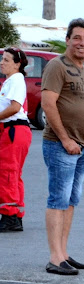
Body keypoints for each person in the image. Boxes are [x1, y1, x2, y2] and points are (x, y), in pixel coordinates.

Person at [41, 18, 84, 275]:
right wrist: (65, 139)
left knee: (72, 200)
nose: (82, 43)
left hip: (83, 147)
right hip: (61, 146)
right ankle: (55, 258)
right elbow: (48, 104)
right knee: (58, 199)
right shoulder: (57, 66)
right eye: (77, 38)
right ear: (67, 40)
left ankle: (63, 253)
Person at [0, 48, 32, 233]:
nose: (2, 62)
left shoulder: (16, 80)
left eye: (6, 60)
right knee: (13, 172)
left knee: (8, 172)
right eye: (2, 59)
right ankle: (15, 215)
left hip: (14, 129)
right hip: (14, 130)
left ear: (17, 64)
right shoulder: (11, 81)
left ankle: (9, 216)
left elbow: (14, 107)